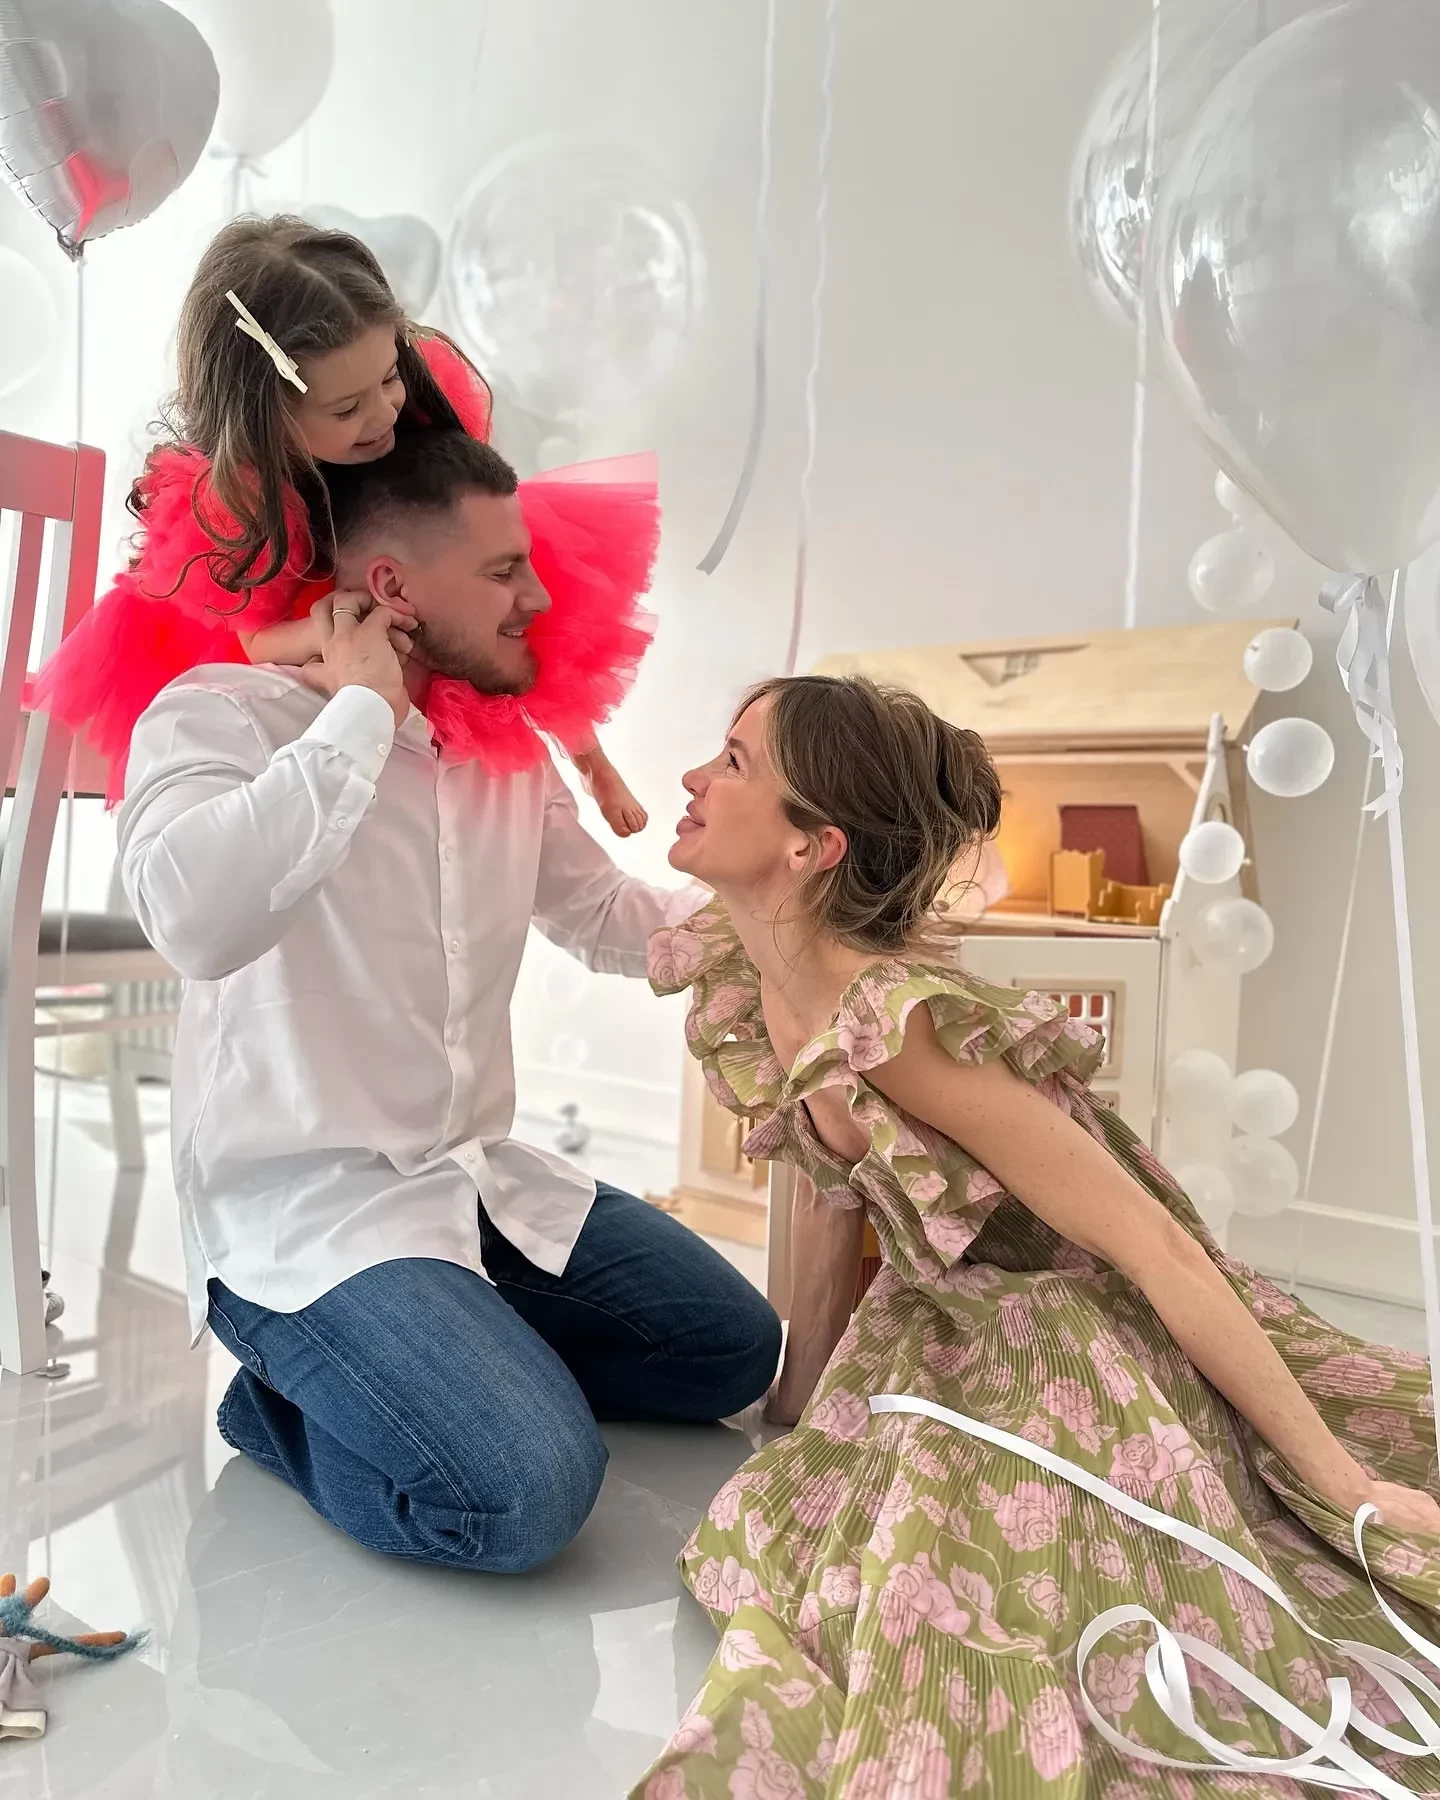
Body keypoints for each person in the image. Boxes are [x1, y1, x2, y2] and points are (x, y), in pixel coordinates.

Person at [634, 675, 1440, 1798]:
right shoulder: (758, 976)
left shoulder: (897, 1026)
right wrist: (794, 1411)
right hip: (942, 1311)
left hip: (1076, 1320)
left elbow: (1154, 1245)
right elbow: (831, 1199)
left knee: (974, 1593)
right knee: (791, 1533)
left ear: (813, 846)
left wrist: (1343, 1482)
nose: (693, 778)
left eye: (733, 762)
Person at [115, 428, 781, 1573]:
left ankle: (447, 1352)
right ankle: (282, 1405)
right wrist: (358, 720)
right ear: (394, 589)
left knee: (730, 1350)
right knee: (524, 1497)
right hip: (305, 1220)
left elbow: (605, 914)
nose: (538, 598)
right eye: (504, 571)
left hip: (472, 1177)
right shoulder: (219, 713)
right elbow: (193, 922)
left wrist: (784, 916)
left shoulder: (502, 751)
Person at [29, 215, 650, 835]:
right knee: (345, 692)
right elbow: (257, 642)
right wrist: (327, 631)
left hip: (400, 547)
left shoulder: (416, 397)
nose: (382, 415)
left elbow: (465, 513)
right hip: (304, 606)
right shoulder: (241, 499)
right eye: (348, 408)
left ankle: (589, 760)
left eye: (389, 378)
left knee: (510, 612)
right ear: (267, 416)